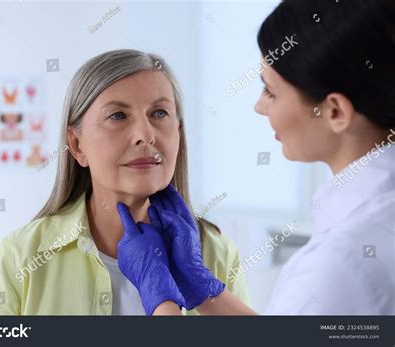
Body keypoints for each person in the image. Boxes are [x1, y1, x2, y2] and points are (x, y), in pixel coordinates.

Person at [116, 0, 395, 315]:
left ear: (335, 111)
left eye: (271, 92)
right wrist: (201, 286)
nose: (259, 107)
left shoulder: (340, 265)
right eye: (117, 116)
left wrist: (162, 302)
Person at [0, 49, 250, 315]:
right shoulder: (22, 255)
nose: (146, 135)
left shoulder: (216, 252)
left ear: (179, 132)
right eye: (118, 116)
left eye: (159, 113)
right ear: (77, 144)